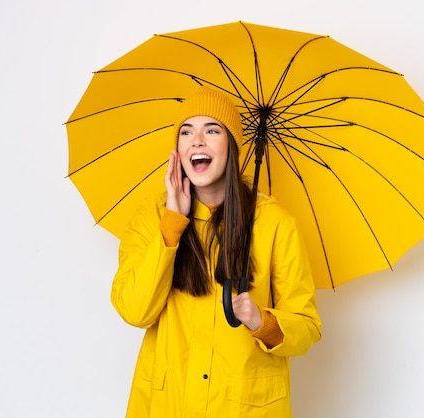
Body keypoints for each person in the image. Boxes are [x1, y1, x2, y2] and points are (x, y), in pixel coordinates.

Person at [111, 86, 322, 418]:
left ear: (231, 147)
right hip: (168, 404)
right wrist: (173, 223)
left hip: (244, 407)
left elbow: (307, 327)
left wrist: (262, 322)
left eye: (212, 130)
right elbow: (135, 311)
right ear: (178, 150)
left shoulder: (275, 223)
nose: (197, 140)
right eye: (186, 132)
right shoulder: (152, 216)